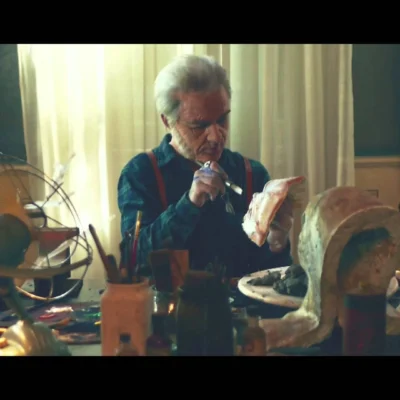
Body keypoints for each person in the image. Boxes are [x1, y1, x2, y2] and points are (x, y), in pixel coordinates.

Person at [117, 54, 293, 278]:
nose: (215, 137)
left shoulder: (252, 174)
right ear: (167, 121)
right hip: (168, 302)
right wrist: (189, 204)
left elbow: (274, 278)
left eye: (222, 120)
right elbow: (134, 259)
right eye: (199, 126)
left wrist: (277, 242)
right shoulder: (141, 174)